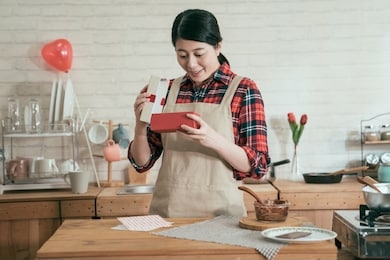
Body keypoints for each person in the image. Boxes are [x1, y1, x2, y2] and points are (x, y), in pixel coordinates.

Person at [128, 9, 270, 218]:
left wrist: (212, 139)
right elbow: (142, 164)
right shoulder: (165, 91)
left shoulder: (243, 89)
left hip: (222, 218)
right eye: (182, 55)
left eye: (199, 54)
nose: (191, 64)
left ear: (218, 46)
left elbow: (258, 166)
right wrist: (140, 127)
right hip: (168, 215)